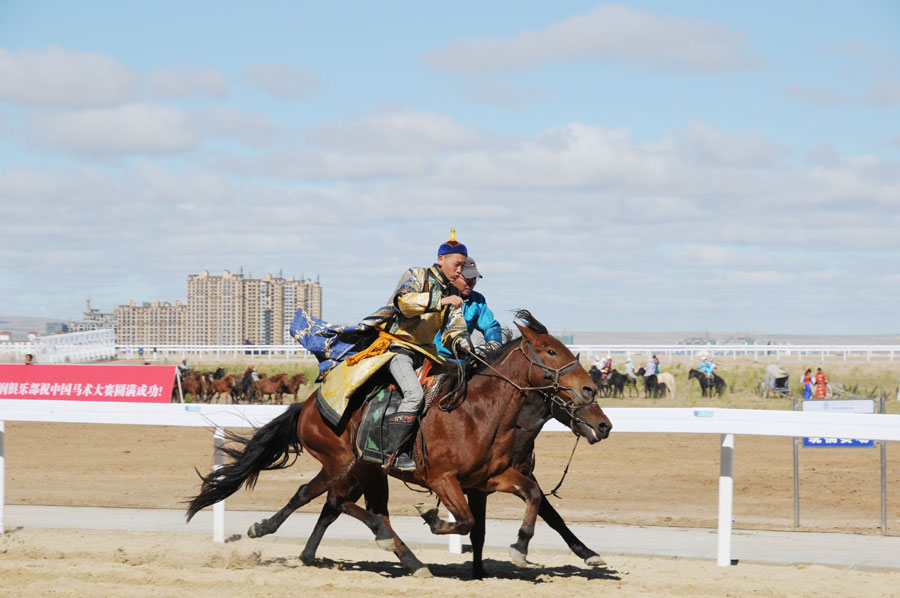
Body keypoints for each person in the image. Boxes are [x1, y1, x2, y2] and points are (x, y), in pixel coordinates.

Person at [377, 230, 473, 469]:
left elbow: (454, 329)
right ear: (441, 260)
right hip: (397, 348)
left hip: (427, 353)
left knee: (465, 380)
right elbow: (404, 303)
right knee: (414, 395)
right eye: (457, 264)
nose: (460, 271)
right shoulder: (416, 275)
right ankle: (393, 452)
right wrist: (440, 301)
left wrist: (464, 345)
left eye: (462, 266)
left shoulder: (452, 292)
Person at [433, 256, 502, 361]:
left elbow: (490, 325)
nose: (471, 283)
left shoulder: (478, 300)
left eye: (474, 279)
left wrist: (494, 341)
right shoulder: (436, 296)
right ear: (454, 275)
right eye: (467, 279)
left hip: (462, 360)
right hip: (434, 358)